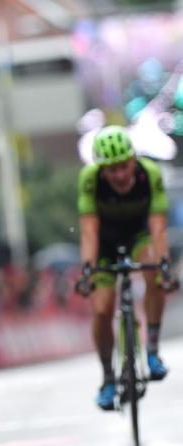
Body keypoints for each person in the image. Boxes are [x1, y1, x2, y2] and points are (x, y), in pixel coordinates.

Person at [74, 125, 177, 411]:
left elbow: (158, 227)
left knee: (155, 274)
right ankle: (108, 378)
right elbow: (88, 231)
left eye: (124, 166)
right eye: (111, 169)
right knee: (101, 308)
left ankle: (153, 351)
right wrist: (87, 271)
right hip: (105, 242)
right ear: (101, 169)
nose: (119, 174)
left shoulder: (149, 174)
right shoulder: (90, 179)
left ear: (134, 159)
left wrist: (165, 265)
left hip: (139, 235)